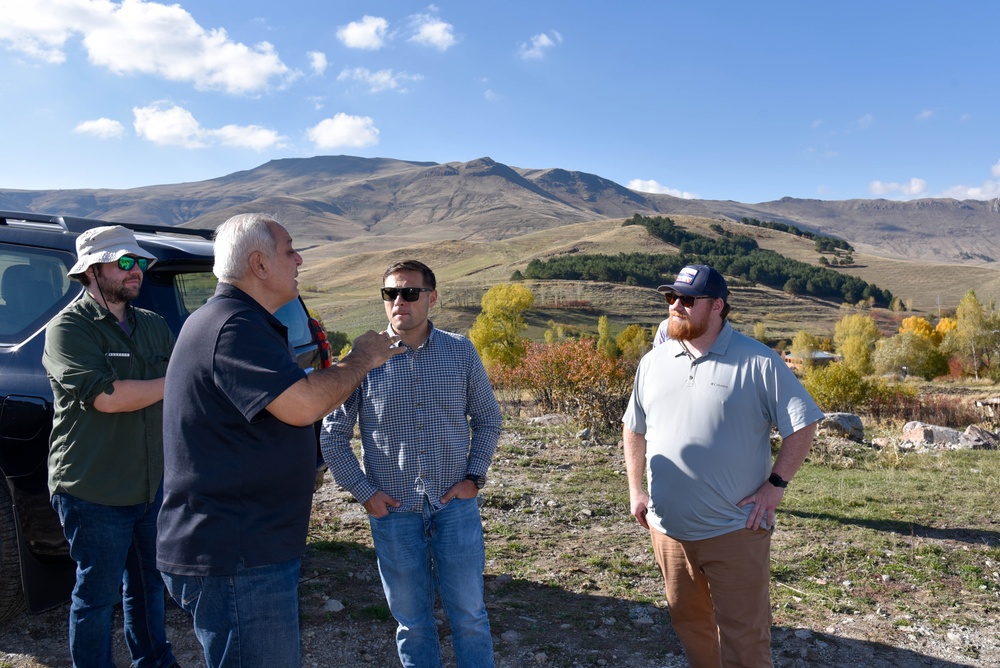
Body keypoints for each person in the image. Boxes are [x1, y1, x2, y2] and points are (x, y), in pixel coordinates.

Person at [157, 213, 404, 667]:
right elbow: (302, 405)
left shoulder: (234, 321)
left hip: (241, 546)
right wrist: (361, 359)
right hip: (237, 552)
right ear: (259, 263)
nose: (300, 259)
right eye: (289, 249)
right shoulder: (234, 327)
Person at [622, 264, 824, 668]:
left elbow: (803, 423)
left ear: (717, 306)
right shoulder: (654, 362)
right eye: (671, 298)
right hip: (668, 531)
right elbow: (634, 426)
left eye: (687, 299)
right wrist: (635, 489)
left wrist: (776, 485)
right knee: (689, 623)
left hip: (735, 531)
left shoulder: (759, 361)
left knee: (745, 636)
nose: (675, 306)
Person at [321, 260, 502, 668]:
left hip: (455, 506)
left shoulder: (461, 350)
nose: (399, 301)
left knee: (470, 615)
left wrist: (474, 477)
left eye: (409, 292)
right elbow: (331, 434)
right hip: (394, 511)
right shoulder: (363, 359)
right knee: (411, 622)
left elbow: (488, 418)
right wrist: (366, 494)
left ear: (432, 297)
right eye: (390, 294)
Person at [43, 225, 179, 668]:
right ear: (91, 271)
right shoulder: (68, 329)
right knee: (97, 596)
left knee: (148, 587)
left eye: (138, 261)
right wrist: (178, 381)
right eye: (124, 262)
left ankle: (154, 662)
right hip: (93, 487)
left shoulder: (155, 325)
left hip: (149, 484)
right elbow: (108, 398)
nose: (135, 270)